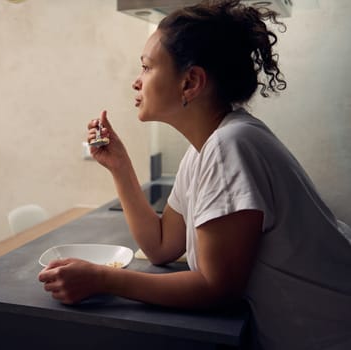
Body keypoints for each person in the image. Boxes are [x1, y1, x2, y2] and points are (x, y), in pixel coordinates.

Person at [38, 1, 351, 349]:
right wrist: (120, 167)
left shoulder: (229, 146)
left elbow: (217, 289)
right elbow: (160, 246)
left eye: (146, 67)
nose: (136, 81)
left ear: (190, 82)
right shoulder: (205, 149)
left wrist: (102, 279)